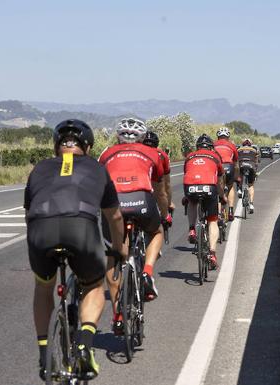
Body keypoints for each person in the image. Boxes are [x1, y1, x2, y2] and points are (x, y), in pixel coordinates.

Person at [25, 119, 127, 381]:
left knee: (44, 286)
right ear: (89, 147)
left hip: (40, 229)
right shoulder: (97, 168)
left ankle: (43, 353)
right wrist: (117, 249)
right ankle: (83, 345)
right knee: (93, 285)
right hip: (81, 228)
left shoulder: (39, 168)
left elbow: (29, 213)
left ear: (56, 147)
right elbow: (114, 217)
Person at [98, 118, 167, 335]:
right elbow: (160, 191)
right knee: (156, 232)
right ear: (143, 137)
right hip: (141, 200)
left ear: (118, 136)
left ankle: (118, 314)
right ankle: (147, 272)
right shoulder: (152, 153)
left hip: (114, 203)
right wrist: (163, 215)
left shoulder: (106, 153)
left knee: (114, 254)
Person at [183, 134, 225, 269]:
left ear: (197, 147)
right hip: (209, 187)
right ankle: (212, 253)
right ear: (211, 147)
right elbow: (219, 181)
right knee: (212, 221)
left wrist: (187, 196)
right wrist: (222, 196)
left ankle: (191, 229)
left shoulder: (190, 156)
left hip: (190, 186)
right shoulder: (215, 157)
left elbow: (187, 173)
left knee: (191, 202)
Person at [142, 131, 175, 229]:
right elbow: (167, 184)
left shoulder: (136, 152)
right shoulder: (162, 155)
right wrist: (168, 204)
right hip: (154, 186)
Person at [213, 126, 239, 221]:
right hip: (229, 166)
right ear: (228, 137)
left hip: (218, 167)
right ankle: (231, 211)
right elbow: (236, 164)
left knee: (218, 189)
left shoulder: (213, 144)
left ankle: (219, 214)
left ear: (218, 136)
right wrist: (237, 177)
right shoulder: (231, 145)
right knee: (231, 187)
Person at [237, 138, 259, 214]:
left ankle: (239, 189)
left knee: (239, 174)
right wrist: (256, 172)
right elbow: (256, 162)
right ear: (250, 144)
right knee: (251, 185)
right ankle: (251, 204)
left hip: (242, 165)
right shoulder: (254, 150)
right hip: (251, 167)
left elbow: (236, 160)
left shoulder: (239, 150)